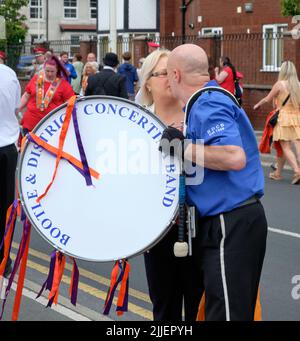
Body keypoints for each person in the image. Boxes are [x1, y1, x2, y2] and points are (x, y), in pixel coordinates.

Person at [161, 44, 268, 321]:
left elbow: (234, 157)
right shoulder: (205, 101)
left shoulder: (206, 100)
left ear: (176, 74)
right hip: (234, 219)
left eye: (165, 74)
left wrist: (181, 147)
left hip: (228, 219)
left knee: (226, 314)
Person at [139, 49, 203, 321]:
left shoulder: (197, 116)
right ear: (148, 84)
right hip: (156, 229)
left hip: (197, 225)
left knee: (198, 304)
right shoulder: (136, 122)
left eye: (172, 73)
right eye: (161, 73)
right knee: (164, 306)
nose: (168, 78)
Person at [254, 61, 300, 184]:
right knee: (297, 144)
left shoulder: (280, 84)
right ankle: (277, 173)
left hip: (283, 117)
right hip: (297, 117)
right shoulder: (298, 85)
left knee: (285, 147)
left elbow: (268, 99)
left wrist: (258, 105)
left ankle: (297, 171)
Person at [0, 51, 21, 277]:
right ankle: (3, 259)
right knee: (6, 206)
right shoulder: (10, 74)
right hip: (6, 145)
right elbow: (16, 106)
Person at [19, 55, 75, 134]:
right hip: (30, 123)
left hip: (51, 127)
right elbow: (26, 95)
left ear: (57, 70)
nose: (49, 74)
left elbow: (70, 103)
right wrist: (18, 108)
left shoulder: (64, 84)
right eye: (47, 71)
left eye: (52, 71)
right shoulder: (36, 78)